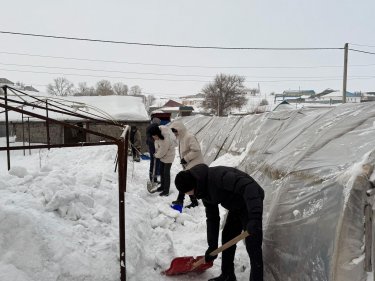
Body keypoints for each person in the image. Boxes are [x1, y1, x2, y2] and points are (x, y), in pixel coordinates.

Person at [175, 164, 264, 281]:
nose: (189, 195)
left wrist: (255, 218)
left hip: (250, 201)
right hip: (236, 205)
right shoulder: (202, 189)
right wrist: (212, 246)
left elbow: (249, 187)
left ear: (193, 186)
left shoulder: (218, 177)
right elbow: (212, 218)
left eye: (188, 192)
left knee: (253, 244)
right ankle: (227, 275)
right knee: (227, 237)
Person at [170, 120, 204, 208]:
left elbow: (196, 150)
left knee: (184, 180)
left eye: (175, 131)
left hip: (195, 162)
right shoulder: (181, 138)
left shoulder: (189, 137)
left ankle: (180, 200)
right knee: (187, 182)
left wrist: (186, 158)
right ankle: (193, 201)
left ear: (180, 129)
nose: (175, 134)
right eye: (173, 132)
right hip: (189, 163)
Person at [149, 125, 176, 196]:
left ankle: (166, 191)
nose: (153, 138)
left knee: (166, 173)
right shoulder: (158, 136)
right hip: (163, 157)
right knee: (161, 172)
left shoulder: (165, 139)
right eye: (153, 136)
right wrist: (156, 152)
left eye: (154, 136)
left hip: (169, 157)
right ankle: (162, 186)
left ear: (157, 134)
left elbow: (162, 151)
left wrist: (156, 155)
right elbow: (157, 145)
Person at [146, 118, 161, 182]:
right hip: (154, 147)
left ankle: (151, 177)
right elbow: (155, 138)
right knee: (156, 163)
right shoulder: (156, 127)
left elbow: (147, 139)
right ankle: (154, 179)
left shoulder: (149, 127)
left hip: (151, 146)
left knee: (152, 162)